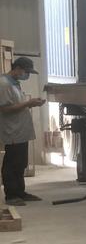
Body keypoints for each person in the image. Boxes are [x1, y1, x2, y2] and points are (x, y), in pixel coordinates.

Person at [0, 57, 44, 206]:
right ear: (17, 68)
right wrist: (28, 103)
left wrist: (31, 104)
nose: (27, 75)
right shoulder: (4, 84)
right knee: (12, 163)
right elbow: (4, 108)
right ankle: (11, 195)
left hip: (20, 130)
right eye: (26, 72)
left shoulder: (14, 83)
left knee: (20, 163)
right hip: (12, 130)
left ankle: (20, 192)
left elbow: (17, 105)